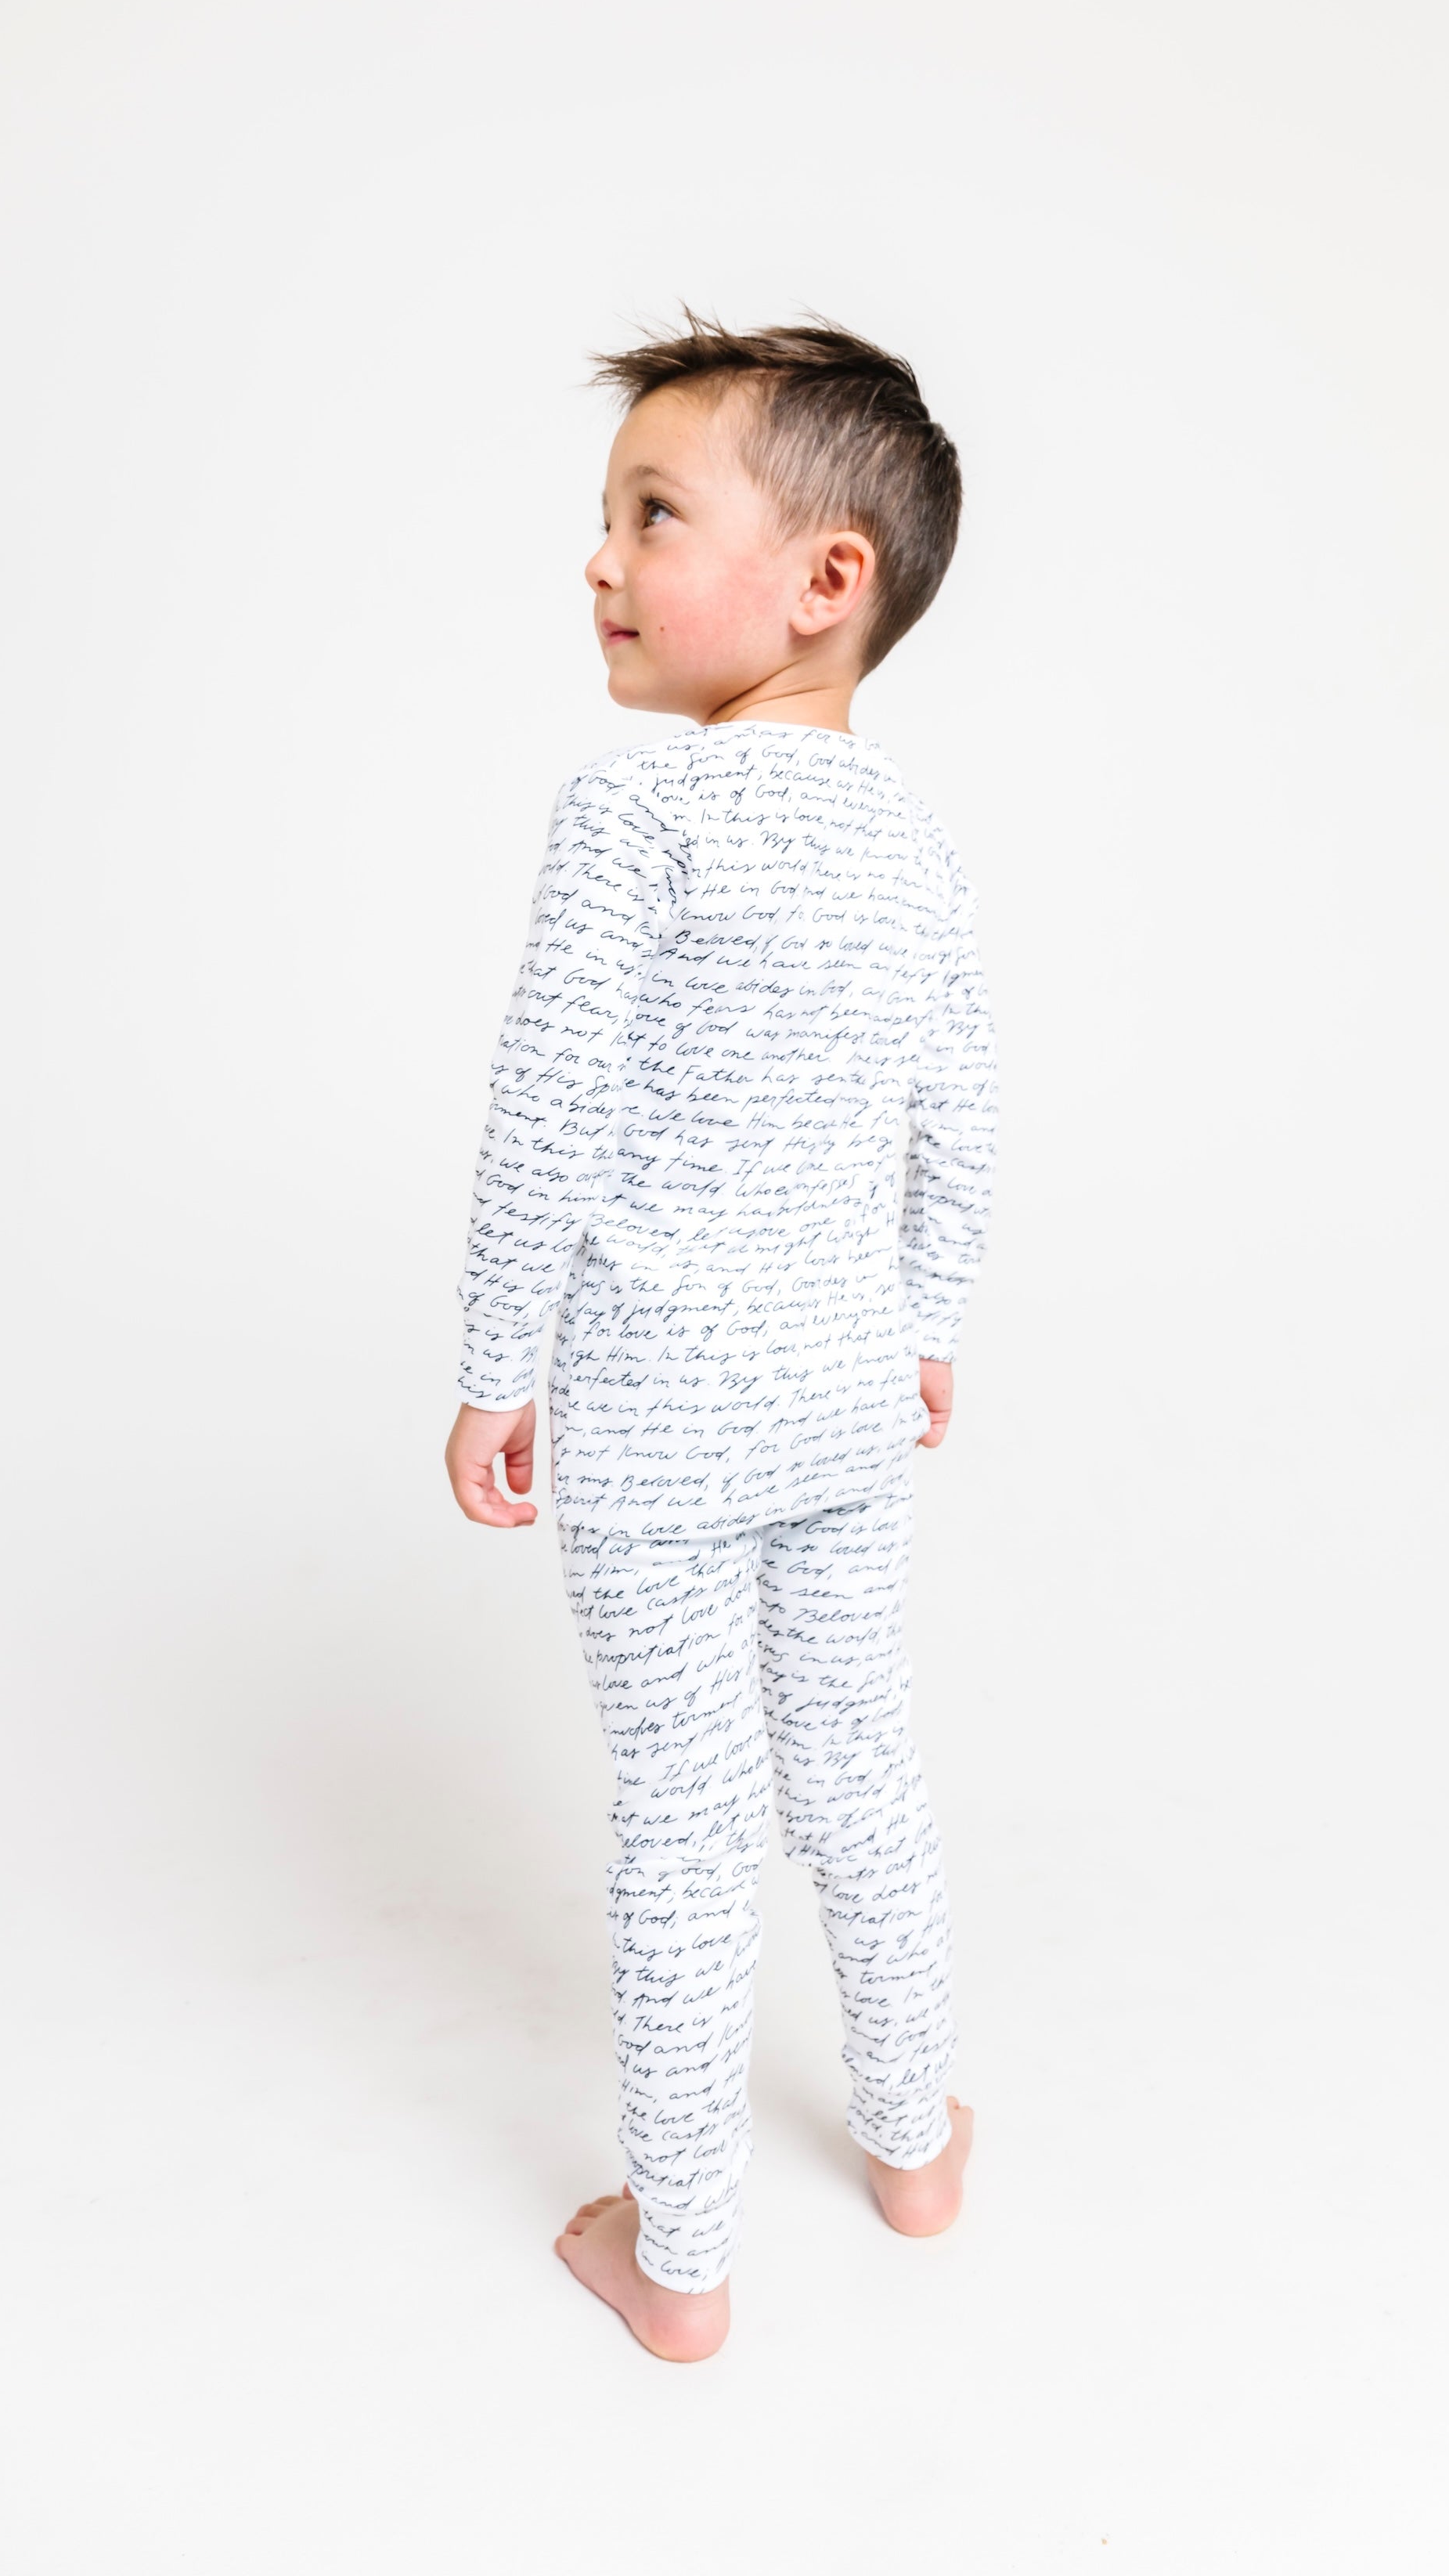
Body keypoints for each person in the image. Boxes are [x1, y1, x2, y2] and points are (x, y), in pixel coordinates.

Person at [443, 318, 996, 2361]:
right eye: (605, 516)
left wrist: (495, 1368)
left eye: (654, 513)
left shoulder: (635, 818)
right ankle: (917, 2152)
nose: (598, 559)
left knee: (684, 1824)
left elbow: (545, 1113)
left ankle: (678, 2261)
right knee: (859, 1767)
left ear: (828, 577)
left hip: (658, 1427)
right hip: (844, 1402)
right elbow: (965, 1113)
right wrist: (925, 1325)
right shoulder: (916, 842)